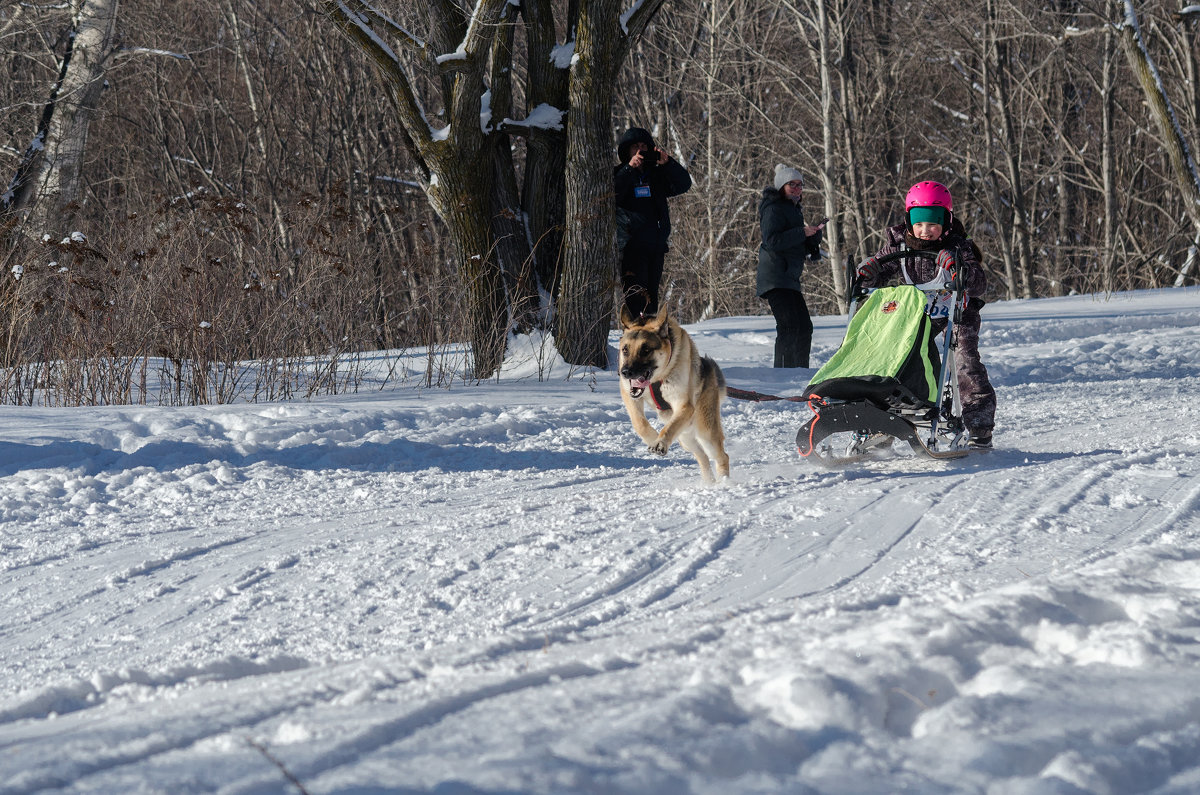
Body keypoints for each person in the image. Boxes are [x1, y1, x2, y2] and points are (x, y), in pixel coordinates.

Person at [855, 180, 997, 448]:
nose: (925, 231)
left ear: (946, 221)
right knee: (894, 355)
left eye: (932, 224)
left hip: (958, 310)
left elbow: (979, 284)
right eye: (918, 224)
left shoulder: (958, 247)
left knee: (964, 362)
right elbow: (877, 271)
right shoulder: (899, 246)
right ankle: (887, 418)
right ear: (909, 222)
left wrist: (959, 269)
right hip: (918, 312)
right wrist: (867, 271)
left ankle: (979, 424)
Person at [614, 127, 692, 317]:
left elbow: (684, 184)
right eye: (635, 147)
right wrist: (629, 168)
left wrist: (668, 163)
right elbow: (612, 194)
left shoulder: (656, 175)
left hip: (656, 246)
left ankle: (649, 340)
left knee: (651, 300)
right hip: (631, 247)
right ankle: (637, 340)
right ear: (627, 150)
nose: (640, 150)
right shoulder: (619, 172)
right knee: (637, 300)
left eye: (643, 146)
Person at [757, 164, 826, 368]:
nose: (796, 189)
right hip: (775, 277)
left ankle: (800, 371)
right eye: (791, 185)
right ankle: (784, 374)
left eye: (799, 185)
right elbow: (772, 240)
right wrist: (802, 233)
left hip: (789, 278)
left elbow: (793, 245)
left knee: (804, 327)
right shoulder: (773, 208)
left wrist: (813, 239)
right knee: (789, 327)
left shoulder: (793, 210)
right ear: (781, 187)